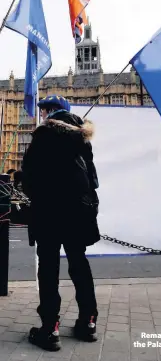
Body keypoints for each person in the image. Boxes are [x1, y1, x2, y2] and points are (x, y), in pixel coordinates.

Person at [21, 95, 100, 352]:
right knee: (79, 264)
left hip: (49, 213)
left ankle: (50, 329)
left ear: (49, 112)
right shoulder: (82, 138)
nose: (42, 115)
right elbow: (93, 179)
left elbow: (29, 178)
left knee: (49, 269)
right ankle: (88, 322)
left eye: (43, 110)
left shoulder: (43, 135)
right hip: (79, 213)